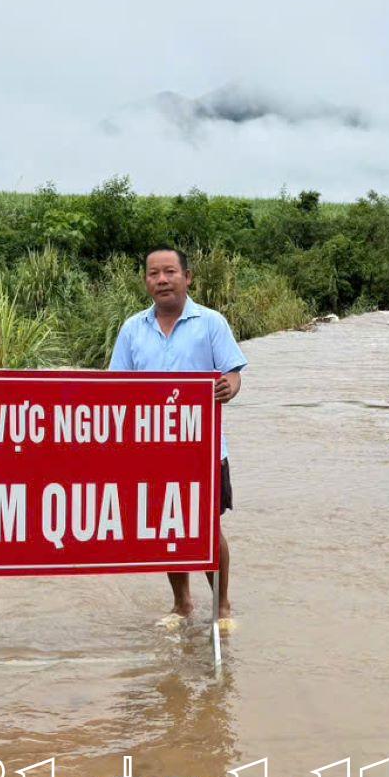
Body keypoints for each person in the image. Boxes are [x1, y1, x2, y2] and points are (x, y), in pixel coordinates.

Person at [109, 247, 247, 623]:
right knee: (168, 526)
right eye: (154, 274)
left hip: (203, 451)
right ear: (146, 282)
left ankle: (221, 606)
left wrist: (228, 387)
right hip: (152, 450)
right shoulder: (132, 329)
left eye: (170, 272)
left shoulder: (211, 323)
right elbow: (114, 388)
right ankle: (182, 604)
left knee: (206, 528)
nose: (162, 280)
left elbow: (233, 373)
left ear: (188, 277)